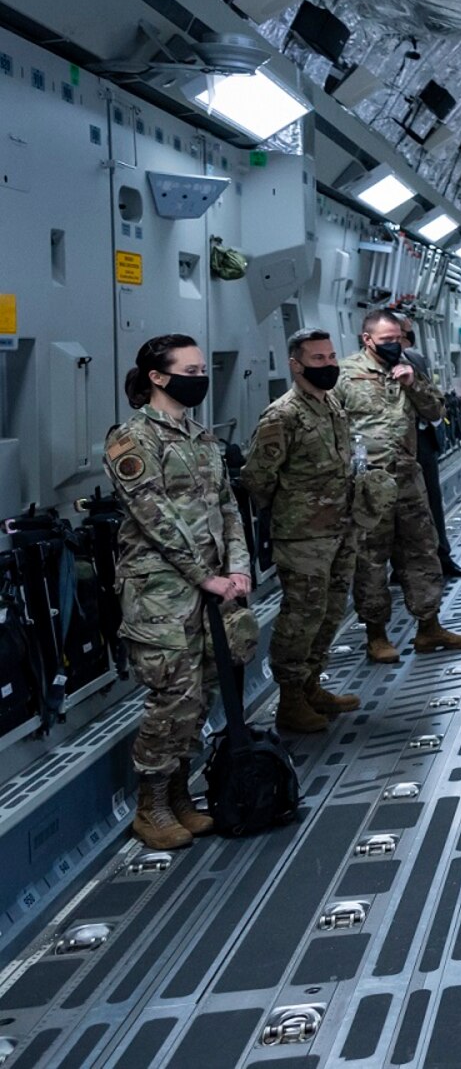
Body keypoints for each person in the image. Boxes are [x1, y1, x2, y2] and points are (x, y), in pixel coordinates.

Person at [104, 334, 253, 850]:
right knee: (173, 694)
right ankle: (152, 805)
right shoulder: (131, 440)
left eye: (201, 368)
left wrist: (238, 568)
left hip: (212, 587)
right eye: (189, 370)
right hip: (161, 593)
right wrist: (203, 575)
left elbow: (229, 507)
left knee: (205, 690)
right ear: (158, 377)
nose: (199, 377)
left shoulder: (203, 439)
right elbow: (154, 519)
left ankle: (181, 795)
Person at [244, 329, 366, 734]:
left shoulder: (331, 404)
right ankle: (290, 700)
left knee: (331, 612)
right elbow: (258, 478)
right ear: (296, 365)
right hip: (303, 537)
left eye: (332, 357)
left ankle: (312, 685)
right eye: (318, 359)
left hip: (341, 528)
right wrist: (294, 511)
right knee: (301, 618)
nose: (329, 364)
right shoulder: (282, 416)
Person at [338, 310, 461, 662]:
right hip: (369, 483)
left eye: (398, 338)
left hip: (408, 478)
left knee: (422, 550)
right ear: (367, 340)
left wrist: (414, 382)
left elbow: (435, 412)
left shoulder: (410, 366)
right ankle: (376, 635)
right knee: (371, 559)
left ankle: (429, 626)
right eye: (386, 340)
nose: (394, 345)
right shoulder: (344, 375)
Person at [397, 315, 461, 580]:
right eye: (402, 334)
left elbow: (433, 399)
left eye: (405, 334)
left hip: (422, 441)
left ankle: (442, 558)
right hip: (387, 450)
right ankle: (401, 567)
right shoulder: (360, 371)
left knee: (431, 503)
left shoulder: (415, 360)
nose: (405, 339)